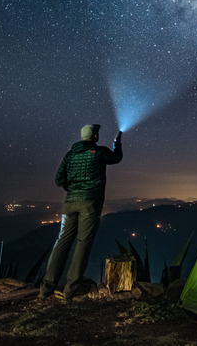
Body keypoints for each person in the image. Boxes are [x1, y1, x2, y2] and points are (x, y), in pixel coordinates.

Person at [39, 124, 123, 303]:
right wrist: (117, 144)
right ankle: (71, 288)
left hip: (69, 203)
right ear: (94, 137)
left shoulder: (70, 155)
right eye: (97, 134)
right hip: (90, 203)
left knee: (62, 242)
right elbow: (116, 158)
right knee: (83, 243)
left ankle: (46, 287)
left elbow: (58, 179)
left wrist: (72, 188)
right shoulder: (99, 152)